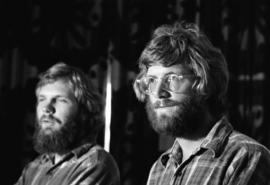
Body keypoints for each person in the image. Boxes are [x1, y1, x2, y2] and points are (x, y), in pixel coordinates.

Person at [133, 22, 270, 185]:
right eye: (151, 80)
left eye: (172, 79)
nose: (158, 92)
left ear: (204, 82)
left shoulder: (245, 157)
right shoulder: (159, 169)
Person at [15, 63, 120, 185]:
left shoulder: (94, 163)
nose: (46, 108)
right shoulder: (34, 168)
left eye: (60, 100)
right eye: (42, 99)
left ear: (84, 110)